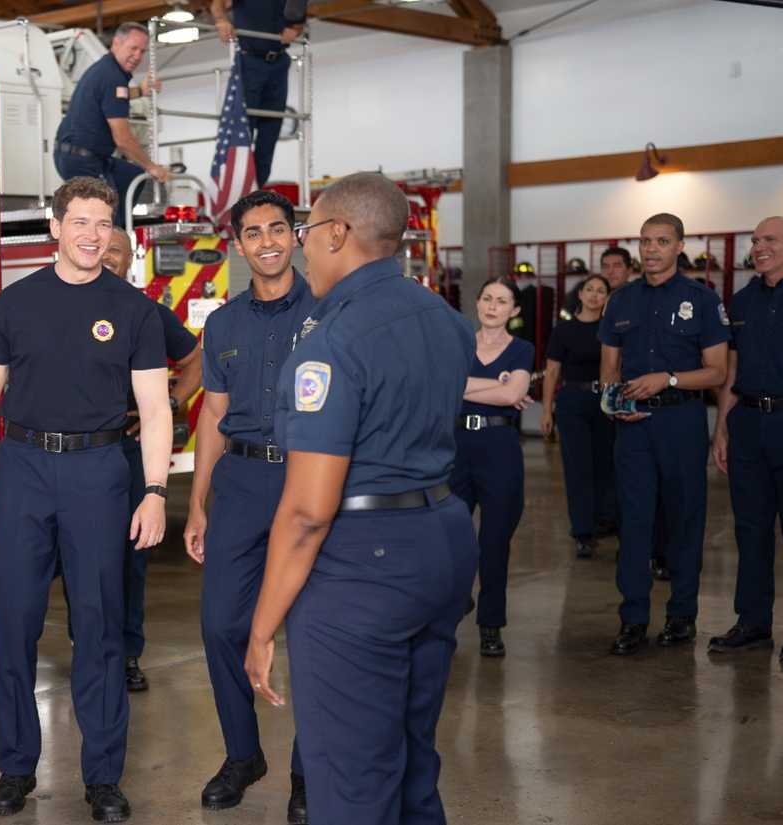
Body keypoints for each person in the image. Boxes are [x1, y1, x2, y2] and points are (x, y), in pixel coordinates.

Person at [242, 172, 478, 825]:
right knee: (411, 761)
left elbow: (307, 510)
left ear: (339, 234)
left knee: (351, 780)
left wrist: (261, 629)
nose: (301, 248)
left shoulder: (331, 344)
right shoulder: (444, 318)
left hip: (361, 566)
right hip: (442, 539)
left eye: (307, 233)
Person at [0, 177, 171, 824]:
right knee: (13, 623)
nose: (90, 234)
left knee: (100, 627)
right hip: (21, 469)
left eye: (102, 223)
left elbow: (157, 410)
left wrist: (156, 490)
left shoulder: (134, 310)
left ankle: (103, 776)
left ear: (113, 231)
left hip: (100, 471)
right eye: (78, 222)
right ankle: (15, 766)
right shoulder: (13, 305)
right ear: (54, 227)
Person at [182, 190, 312, 822]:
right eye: (254, 232)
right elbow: (213, 412)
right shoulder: (223, 324)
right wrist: (199, 501)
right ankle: (242, 753)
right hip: (239, 483)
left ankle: (308, 772)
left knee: (312, 630)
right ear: (239, 244)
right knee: (220, 626)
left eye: (277, 229)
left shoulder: (329, 314)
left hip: (309, 482)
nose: (267, 241)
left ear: (296, 236)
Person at [599, 213, 729, 656]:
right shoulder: (620, 301)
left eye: (661, 241)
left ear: (678, 246)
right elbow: (609, 367)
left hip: (681, 422)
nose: (651, 249)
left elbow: (718, 370)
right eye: (645, 241)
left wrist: (667, 379)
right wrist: (616, 405)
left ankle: (681, 616)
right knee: (634, 523)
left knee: (685, 519)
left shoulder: (703, 300)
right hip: (633, 428)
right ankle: (633, 619)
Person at [102, 227, 202, 692]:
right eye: (99, 248)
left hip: (126, 449)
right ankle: (91, 647)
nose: (105, 256)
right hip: (73, 454)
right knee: (80, 557)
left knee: (130, 557)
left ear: (129, 260)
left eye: (116, 252)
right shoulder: (59, 305)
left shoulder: (146, 312)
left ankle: (126, 655)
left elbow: (198, 357)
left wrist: (173, 402)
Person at [709, 216, 783, 662]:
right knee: (750, 529)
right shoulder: (743, 299)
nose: (758, 247)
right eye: (754, 240)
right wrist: (723, 426)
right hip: (749, 422)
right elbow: (732, 370)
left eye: (769, 239)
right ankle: (752, 621)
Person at [452, 278, 534, 657]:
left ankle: (490, 625)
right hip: (456, 447)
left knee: (494, 541)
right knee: (450, 538)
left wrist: (466, 387)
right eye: (486, 298)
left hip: (499, 448)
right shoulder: (458, 343)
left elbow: (513, 394)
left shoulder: (522, 349)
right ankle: (451, 608)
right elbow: (442, 386)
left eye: (502, 301)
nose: (492, 306)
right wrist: (494, 385)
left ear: (514, 310)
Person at [53, 22, 170, 225]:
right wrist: (152, 167)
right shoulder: (112, 76)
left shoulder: (107, 71)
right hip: (82, 159)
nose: (138, 56)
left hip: (84, 156)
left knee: (132, 175)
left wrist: (141, 91)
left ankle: (121, 229)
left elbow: (115, 97)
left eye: (142, 51)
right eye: (133, 48)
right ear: (116, 43)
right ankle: (114, 239)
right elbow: (123, 140)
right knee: (107, 210)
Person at [542, 274, 618, 559]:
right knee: (577, 468)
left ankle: (605, 521)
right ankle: (582, 532)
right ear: (581, 294)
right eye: (590, 290)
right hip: (572, 402)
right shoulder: (564, 330)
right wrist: (547, 409)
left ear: (607, 297)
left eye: (601, 290)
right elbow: (552, 372)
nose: (595, 295)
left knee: (605, 464)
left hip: (605, 401)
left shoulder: (612, 328)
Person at [210, 0, 305, 188]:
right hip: (250, 60)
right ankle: (237, 190)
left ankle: (257, 189)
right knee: (243, 128)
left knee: (271, 131)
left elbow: (299, 15)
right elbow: (217, 3)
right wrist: (221, 21)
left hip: (279, 62)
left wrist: (296, 29)